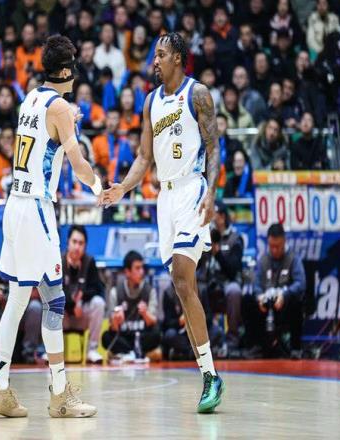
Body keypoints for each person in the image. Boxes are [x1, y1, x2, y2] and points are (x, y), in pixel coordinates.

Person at [101, 32, 224, 413]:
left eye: (161, 54)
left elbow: (214, 147)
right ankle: (208, 372)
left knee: (184, 277)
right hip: (164, 199)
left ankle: (211, 376)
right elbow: (144, 156)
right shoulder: (151, 101)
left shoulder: (198, 94)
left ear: (178, 59)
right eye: (155, 55)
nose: (155, 61)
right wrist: (122, 188)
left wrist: (211, 192)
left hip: (191, 190)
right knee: (182, 287)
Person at [0, 35, 99, 419]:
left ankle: (0, 387)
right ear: (66, 71)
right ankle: (59, 395)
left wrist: (69, 120)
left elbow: (46, 132)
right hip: (36, 208)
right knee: (54, 300)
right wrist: (100, 188)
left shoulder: (31, 99)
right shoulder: (61, 107)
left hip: (15, 206)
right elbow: (78, 163)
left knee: (17, 300)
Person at [242, 223, 306, 359]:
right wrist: (260, 297)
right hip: (266, 304)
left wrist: (285, 295)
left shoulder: (293, 259)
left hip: (283, 304)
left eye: (278, 246)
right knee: (247, 301)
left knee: (297, 302)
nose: (275, 250)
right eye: (272, 246)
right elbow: (257, 285)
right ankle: (255, 346)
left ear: (284, 241)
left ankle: (295, 348)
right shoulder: (263, 260)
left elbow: (300, 284)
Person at [199, 201, 244, 355]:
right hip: (210, 283)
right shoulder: (205, 237)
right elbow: (199, 268)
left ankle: (232, 341)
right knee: (198, 289)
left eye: (213, 215)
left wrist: (217, 253)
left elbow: (233, 271)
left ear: (222, 217)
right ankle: (205, 340)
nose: (210, 219)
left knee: (234, 291)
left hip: (228, 282)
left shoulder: (235, 239)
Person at [102, 250, 160, 362]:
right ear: (127, 272)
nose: (141, 271)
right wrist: (116, 320)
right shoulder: (115, 292)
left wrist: (145, 313)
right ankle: (137, 353)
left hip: (142, 336)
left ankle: (126, 354)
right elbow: (112, 327)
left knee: (156, 334)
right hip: (125, 337)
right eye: (137, 268)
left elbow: (153, 321)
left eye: (142, 268)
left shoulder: (149, 290)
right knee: (106, 337)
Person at [0, 262, 42, 364]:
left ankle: (29, 353)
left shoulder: (30, 264)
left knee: (35, 307)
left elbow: (39, 291)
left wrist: (21, 296)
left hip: (23, 310)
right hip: (2, 310)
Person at [62, 225, 105, 364]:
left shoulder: (89, 262)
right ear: (68, 242)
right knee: (49, 304)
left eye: (81, 243)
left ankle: (92, 350)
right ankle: (51, 350)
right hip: (63, 316)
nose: (77, 247)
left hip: (82, 315)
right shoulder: (59, 261)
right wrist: (71, 305)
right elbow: (55, 290)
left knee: (98, 303)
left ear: (85, 245)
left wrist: (81, 300)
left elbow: (98, 289)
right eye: (74, 242)